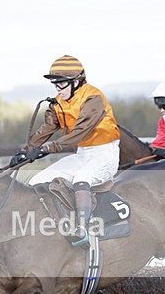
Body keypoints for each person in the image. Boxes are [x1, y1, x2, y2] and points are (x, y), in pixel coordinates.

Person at [9, 55, 121, 245]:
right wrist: (26, 151)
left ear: (76, 81)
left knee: (81, 179)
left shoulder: (93, 98)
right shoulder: (57, 104)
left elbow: (78, 133)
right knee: (38, 180)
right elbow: (45, 130)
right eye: (55, 85)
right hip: (83, 154)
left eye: (61, 84)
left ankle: (82, 230)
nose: (58, 89)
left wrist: (47, 149)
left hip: (105, 154)